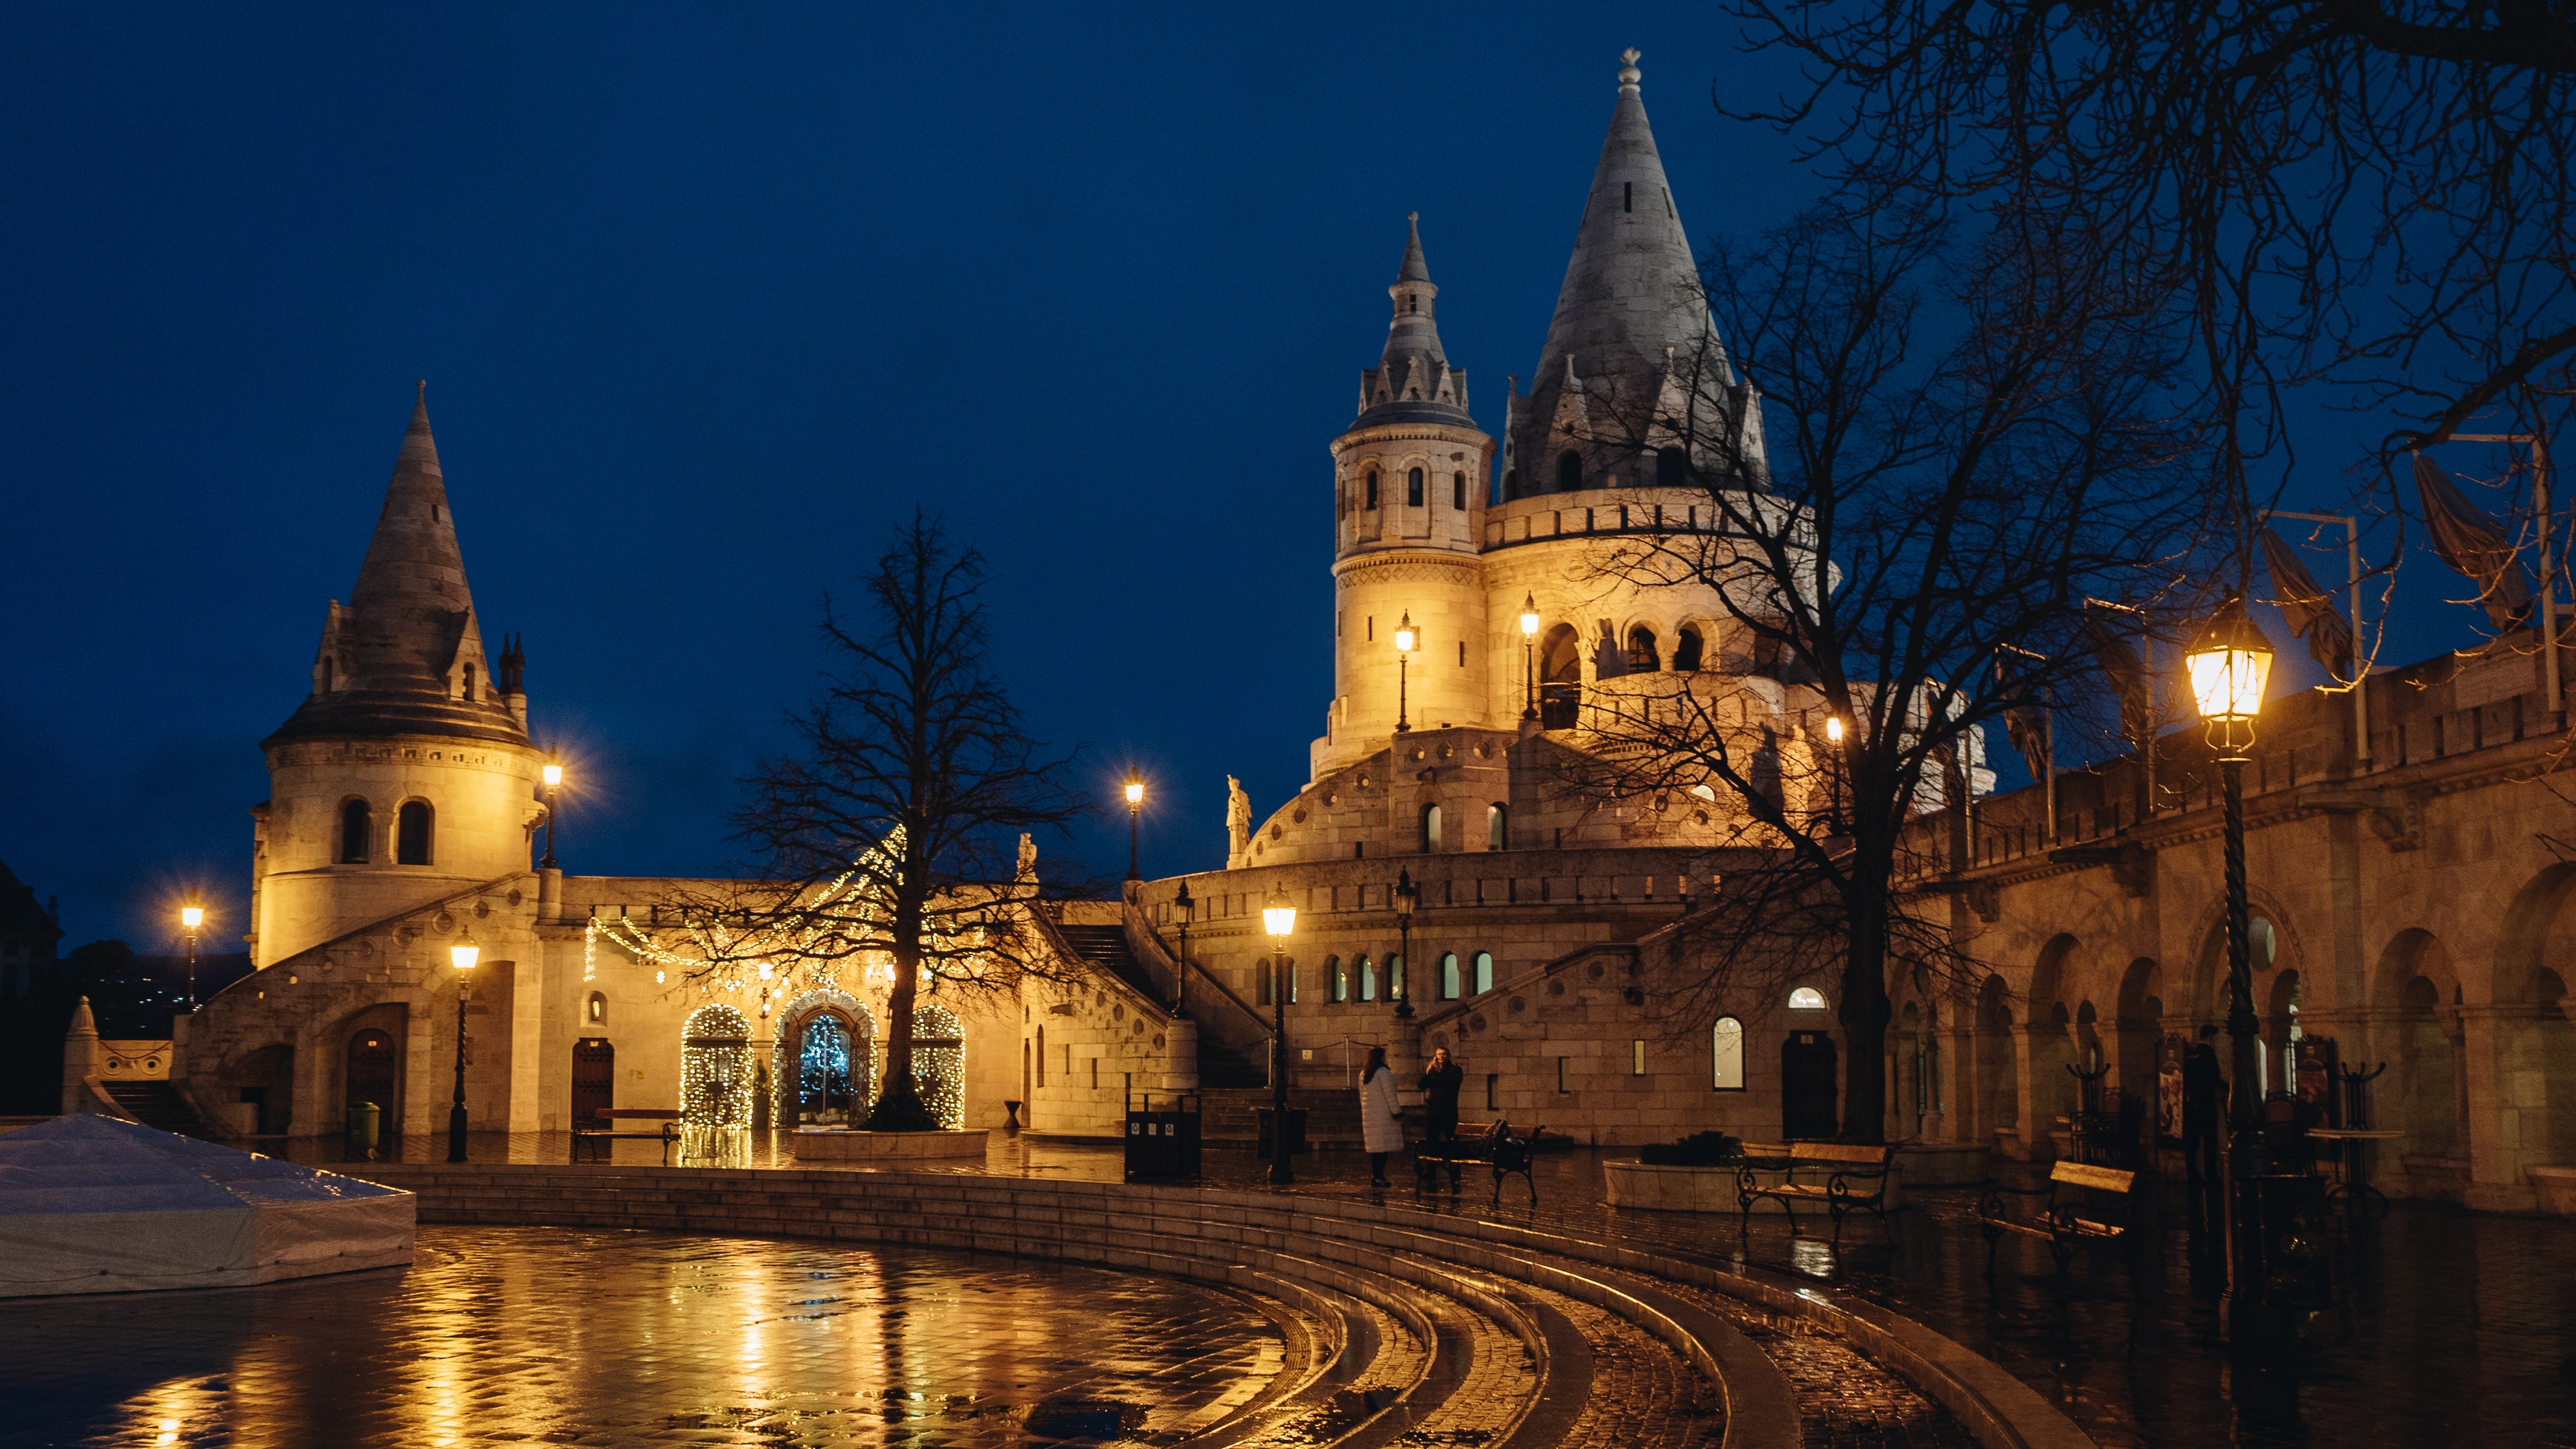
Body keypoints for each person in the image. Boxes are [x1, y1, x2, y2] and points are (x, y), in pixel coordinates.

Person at [2183, 1025, 2226, 1241]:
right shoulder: (2208, 1054)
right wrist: (2228, 1088)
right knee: (2210, 1141)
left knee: (2192, 1142)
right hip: (2207, 1103)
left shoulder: (2190, 1054)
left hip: (2191, 1105)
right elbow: (2215, 1077)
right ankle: (2211, 1175)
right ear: (2211, 1037)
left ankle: (2192, 1174)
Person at [1420, 1047, 1465, 1189]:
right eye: (1439, 1054)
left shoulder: (1455, 1070)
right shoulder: (1433, 1071)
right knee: (1431, 1141)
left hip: (1448, 1112)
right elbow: (1421, 1085)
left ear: (1449, 1056)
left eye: (1444, 1054)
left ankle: (1454, 1172)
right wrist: (1428, 1073)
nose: (1441, 1057)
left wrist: (1436, 1071)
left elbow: (1448, 1081)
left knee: (1451, 1141)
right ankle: (1430, 1171)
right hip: (1433, 1112)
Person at [1360, 1045, 1404, 1188]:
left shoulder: (1364, 1073)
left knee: (1376, 1149)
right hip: (1383, 1115)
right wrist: (1397, 1112)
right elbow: (1390, 1095)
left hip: (1371, 1115)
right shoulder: (1384, 1073)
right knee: (1382, 1149)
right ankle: (1379, 1177)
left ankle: (1377, 1176)